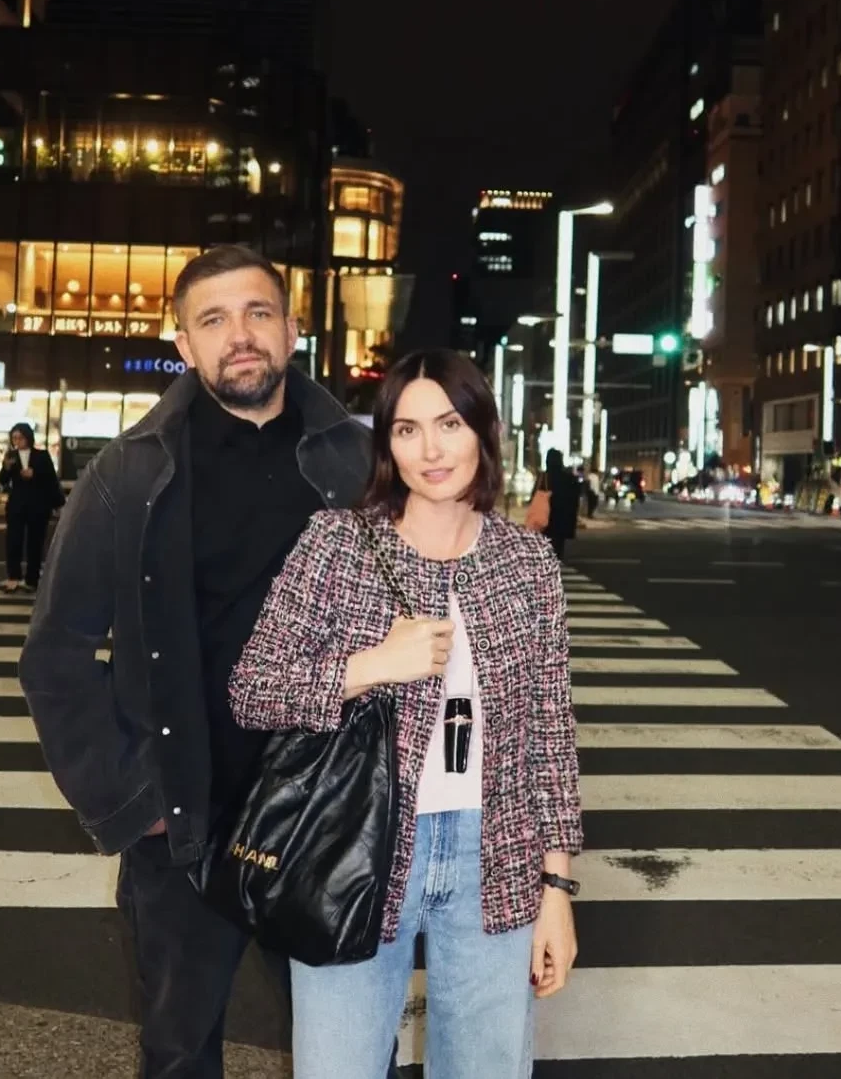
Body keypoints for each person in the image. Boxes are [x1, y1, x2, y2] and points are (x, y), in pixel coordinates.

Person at [19, 245, 394, 1079]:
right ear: (185, 345)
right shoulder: (131, 472)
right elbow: (57, 653)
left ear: (292, 330)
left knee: (351, 1053)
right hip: (184, 819)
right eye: (214, 320)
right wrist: (131, 799)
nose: (240, 335)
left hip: (325, 814)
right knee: (180, 1052)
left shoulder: (361, 464)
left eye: (258, 313)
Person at [230, 348, 584, 1079]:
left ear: (483, 432)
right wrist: (371, 667)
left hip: (497, 851)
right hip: (355, 840)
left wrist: (557, 890)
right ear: (386, 445)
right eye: (407, 430)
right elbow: (254, 688)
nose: (431, 450)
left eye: (450, 424)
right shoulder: (337, 544)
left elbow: (550, 736)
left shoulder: (529, 564)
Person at [0, 421, 62, 592]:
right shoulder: (11, 456)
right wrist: (6, 468)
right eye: (14, 438)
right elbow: (2, 479)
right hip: (17, 504)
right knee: (13, 540)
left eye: (20, 437)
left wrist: (35, 474)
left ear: (28, 438)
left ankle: (32, 579)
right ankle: (13, 577)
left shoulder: (41, 456)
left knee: (35, 542)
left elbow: (51, 480)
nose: (17, 441)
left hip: (38, 505)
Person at [539, 448, 582, 559]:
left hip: (546, 516)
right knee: (558, 544)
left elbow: (535, 496)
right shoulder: (569, 478)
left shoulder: (544, 478)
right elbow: (575, 498)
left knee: (545, 543)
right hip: (563, 517)